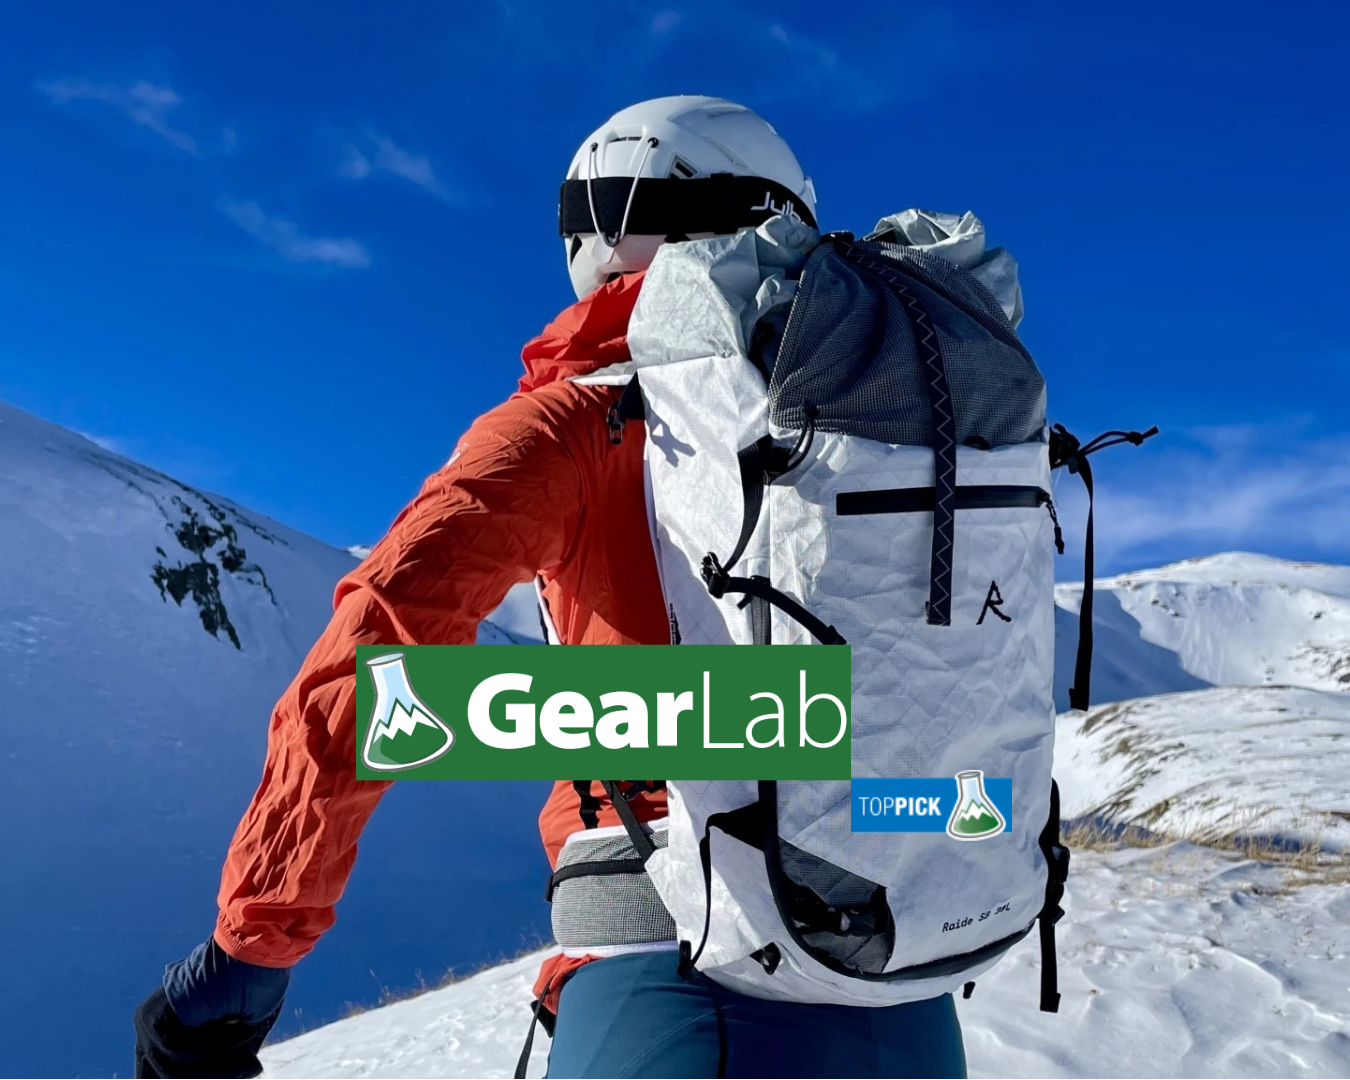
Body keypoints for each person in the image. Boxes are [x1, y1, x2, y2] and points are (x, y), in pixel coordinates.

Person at [133, 95, 968, 1080]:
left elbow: (375, 663)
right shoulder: (901, 426)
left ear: (606, 229)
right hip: (902, 969)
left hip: (673, 969)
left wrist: (251, 950)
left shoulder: (581, 422)